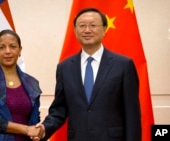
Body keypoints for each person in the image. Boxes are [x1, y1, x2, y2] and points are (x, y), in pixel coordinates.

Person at [34, 7, 141, 141]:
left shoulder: (124, 65)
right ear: (75, 30)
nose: (87, 30)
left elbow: (132, 114)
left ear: (104, 29)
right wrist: (45, 128)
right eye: (82, 26)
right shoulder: (65, 67)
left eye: (93, 25)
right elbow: (59, 109)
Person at [0, 29, 43, 141]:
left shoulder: (32, 83)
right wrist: (25, 129)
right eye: (2, 47)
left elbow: (34, 121)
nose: (7, 51)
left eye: (12, 46)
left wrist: (37, 133)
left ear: (20, 50)